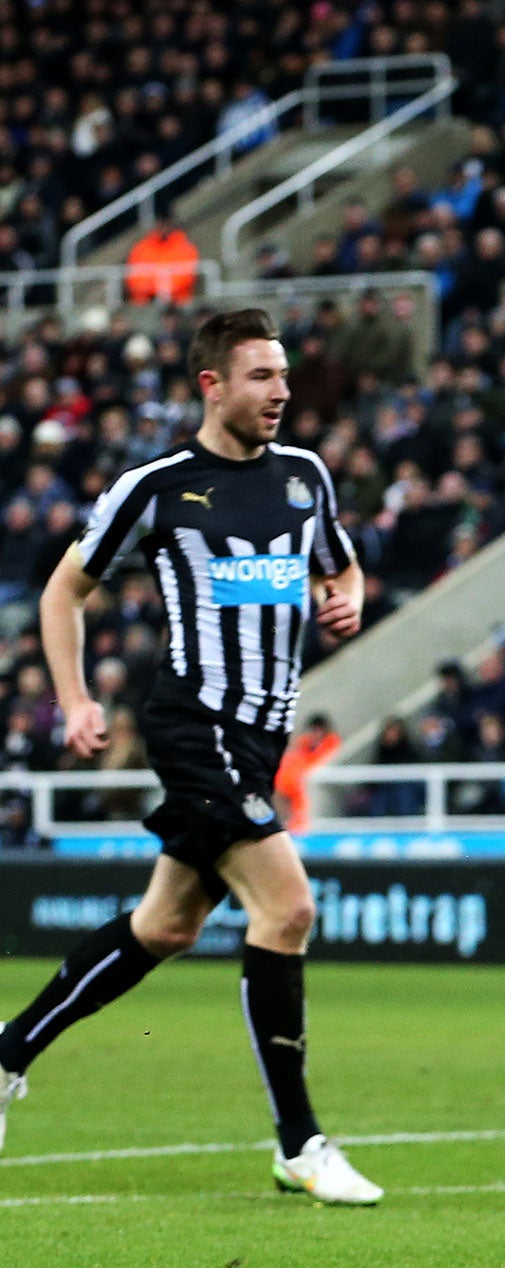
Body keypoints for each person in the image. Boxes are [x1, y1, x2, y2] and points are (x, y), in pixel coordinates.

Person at [0, 309, 381, 1204]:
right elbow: (65, 591)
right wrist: (75, 699)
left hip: (261, 734)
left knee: (165, 926)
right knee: (288, 909)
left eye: (283, 375)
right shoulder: (160, 486)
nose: (280, 392)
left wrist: (348, 598)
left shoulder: (305, 477)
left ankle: (9, 1051)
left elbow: (342, 564)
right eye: (259, 376)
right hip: (192, 722)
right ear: (212, 384)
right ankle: (300, 1141)